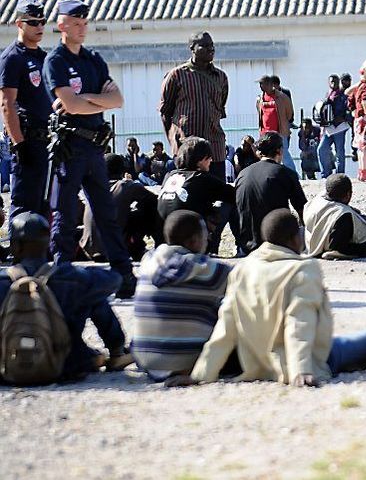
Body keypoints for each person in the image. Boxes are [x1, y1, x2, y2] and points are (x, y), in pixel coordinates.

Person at [173, 209, 366, 387]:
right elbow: (299, 322)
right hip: (304, 361)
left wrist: (202, 374)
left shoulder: (244, 268)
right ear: (294, 239)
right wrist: (301, 370)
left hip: (257, 363)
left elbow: (226, 326)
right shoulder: (303, 269)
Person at [42, 0, 135, 297]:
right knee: (65, 214)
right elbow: (69, 104)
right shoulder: (55, 60)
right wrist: (93, 100)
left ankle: (123, 274)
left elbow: (117, 100)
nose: (82, 29)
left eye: (85, 23)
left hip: (95, 148)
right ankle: (62, 272)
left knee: (106, 213)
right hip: (70, 148)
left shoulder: (93, 59)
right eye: (76, 23)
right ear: (62, 25)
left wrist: (87, 99)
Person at [0, 213, 132, 381]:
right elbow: (115, 280)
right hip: (67, 366)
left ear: (15, 246)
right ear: (48, 243)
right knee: (93, 295)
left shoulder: (3, 281)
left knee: (90, 293)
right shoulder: (69, 277)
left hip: (7, 368)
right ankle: (116, 352)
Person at [132, 210, 232, 381]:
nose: (208, 239)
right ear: (194, 241)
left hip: (146, 361)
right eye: (205, 235)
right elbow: (248, 281)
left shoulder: (148, 262)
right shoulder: (207, 271)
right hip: (188, 360)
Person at [0, 0, 51, 219]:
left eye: (42, 21)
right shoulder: (12, 58)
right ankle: (19, 250)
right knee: (23, 204)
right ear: (19, 23)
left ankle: (40, 251)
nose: (39, 26)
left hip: (46, 141)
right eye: (33, 22)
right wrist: (18, 143)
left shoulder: (43, 57)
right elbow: (7, 103)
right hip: (26, 140)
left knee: (44, 202)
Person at [158, 31, 230, 181]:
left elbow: (219, 109)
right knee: (188, 195)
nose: (211, 49)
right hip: (187, 151)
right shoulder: (176, 75)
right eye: (205, 46)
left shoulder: (221, 77)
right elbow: (165, 113)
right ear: (192, 48)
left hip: (215, 150)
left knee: (218, 196)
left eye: (212, 46)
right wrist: (174, 143)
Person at [157, 136, 236, 256]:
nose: (211, 161)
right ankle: (232, 246)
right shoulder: (201, 177)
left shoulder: (169, 175)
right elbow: (234, 195)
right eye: (209, 157)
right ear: (200, 160)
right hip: (190, 237)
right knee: (227, 204)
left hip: (166, 235)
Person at [234, 132, 307, 255]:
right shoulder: (285, 173)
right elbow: (302, 210)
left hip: (247, 246)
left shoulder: (242, 174)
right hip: (278, 243)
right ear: (279, 150)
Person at [82, 154, 163, 261]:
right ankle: (149, 246)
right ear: (122, 169)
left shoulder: (94, 187)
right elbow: (153, 199)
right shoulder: (125, 185)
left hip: (88, 248)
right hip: (111, 249)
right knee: (145, 208)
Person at [304, 174, 366, 259]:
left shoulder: (315, 202)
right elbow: (338, 248)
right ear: (348, 195)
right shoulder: (343, 215)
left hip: (311, 244)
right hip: (330, 247)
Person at [256, 74, 296, 173]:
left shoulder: (282, 97)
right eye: (260, 84)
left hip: (280, 132)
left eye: (263, 84)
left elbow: (289, 113)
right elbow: (259, 111)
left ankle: (293, 174)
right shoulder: (260, 98)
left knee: (284, 153)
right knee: (266, 154)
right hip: (265, 133)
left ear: (270, 84)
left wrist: (284, 124)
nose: (261, 86)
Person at [315, 74, 351, 178]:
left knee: (339, 152)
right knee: (322, 149)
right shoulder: (328, 94)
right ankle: (326, 174)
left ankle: (340, 174)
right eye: (331, 82)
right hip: (329, 128)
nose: (333, 84)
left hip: (339, 127)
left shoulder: (342, 95)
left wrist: (342, 118)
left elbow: (346, 110)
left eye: (335, 81)